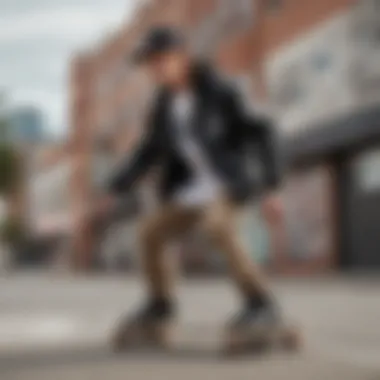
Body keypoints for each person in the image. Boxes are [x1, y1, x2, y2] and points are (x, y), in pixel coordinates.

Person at [100, 26, 284, 349]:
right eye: (151, 63)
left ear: (182, 56)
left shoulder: (222, 91)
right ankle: (161, 306)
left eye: (162, 59)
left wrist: (271, 185)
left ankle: (260, 304)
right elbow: (148, 151)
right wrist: (116, 186)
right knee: (150, 232)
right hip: (191, 191)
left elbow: (262, 131)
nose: (156, 68)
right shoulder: (163, 105)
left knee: (218, 227)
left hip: (229, 183)